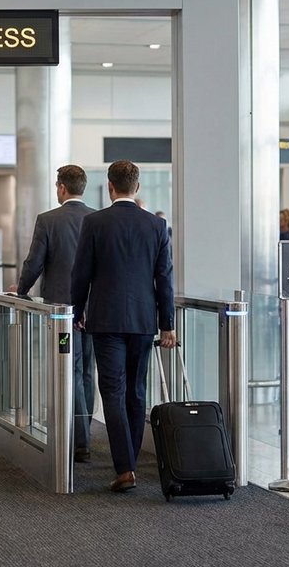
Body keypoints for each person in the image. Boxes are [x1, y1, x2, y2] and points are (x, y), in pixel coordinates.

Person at [71, 160, 175, 492]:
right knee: (136, 391)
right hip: (144, 321)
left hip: (105, 319)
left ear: (110, 187)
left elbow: (81, 273)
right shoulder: (156, 226)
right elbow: (164, 280)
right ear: (138, 187)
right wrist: (167, 324)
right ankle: (128, 461)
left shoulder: (95, 222)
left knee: (112, 391)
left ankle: (126, 466)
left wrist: (75, 312)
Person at [11, 165, 97, 463]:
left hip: (62, 309)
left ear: (61, 188)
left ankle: (79, 440)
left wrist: (21, 291)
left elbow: (34, 262)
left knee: (71, 371)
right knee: (87, 371)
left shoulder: (48, 220)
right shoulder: (97, 218)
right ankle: (85, 431)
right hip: (93, 308)